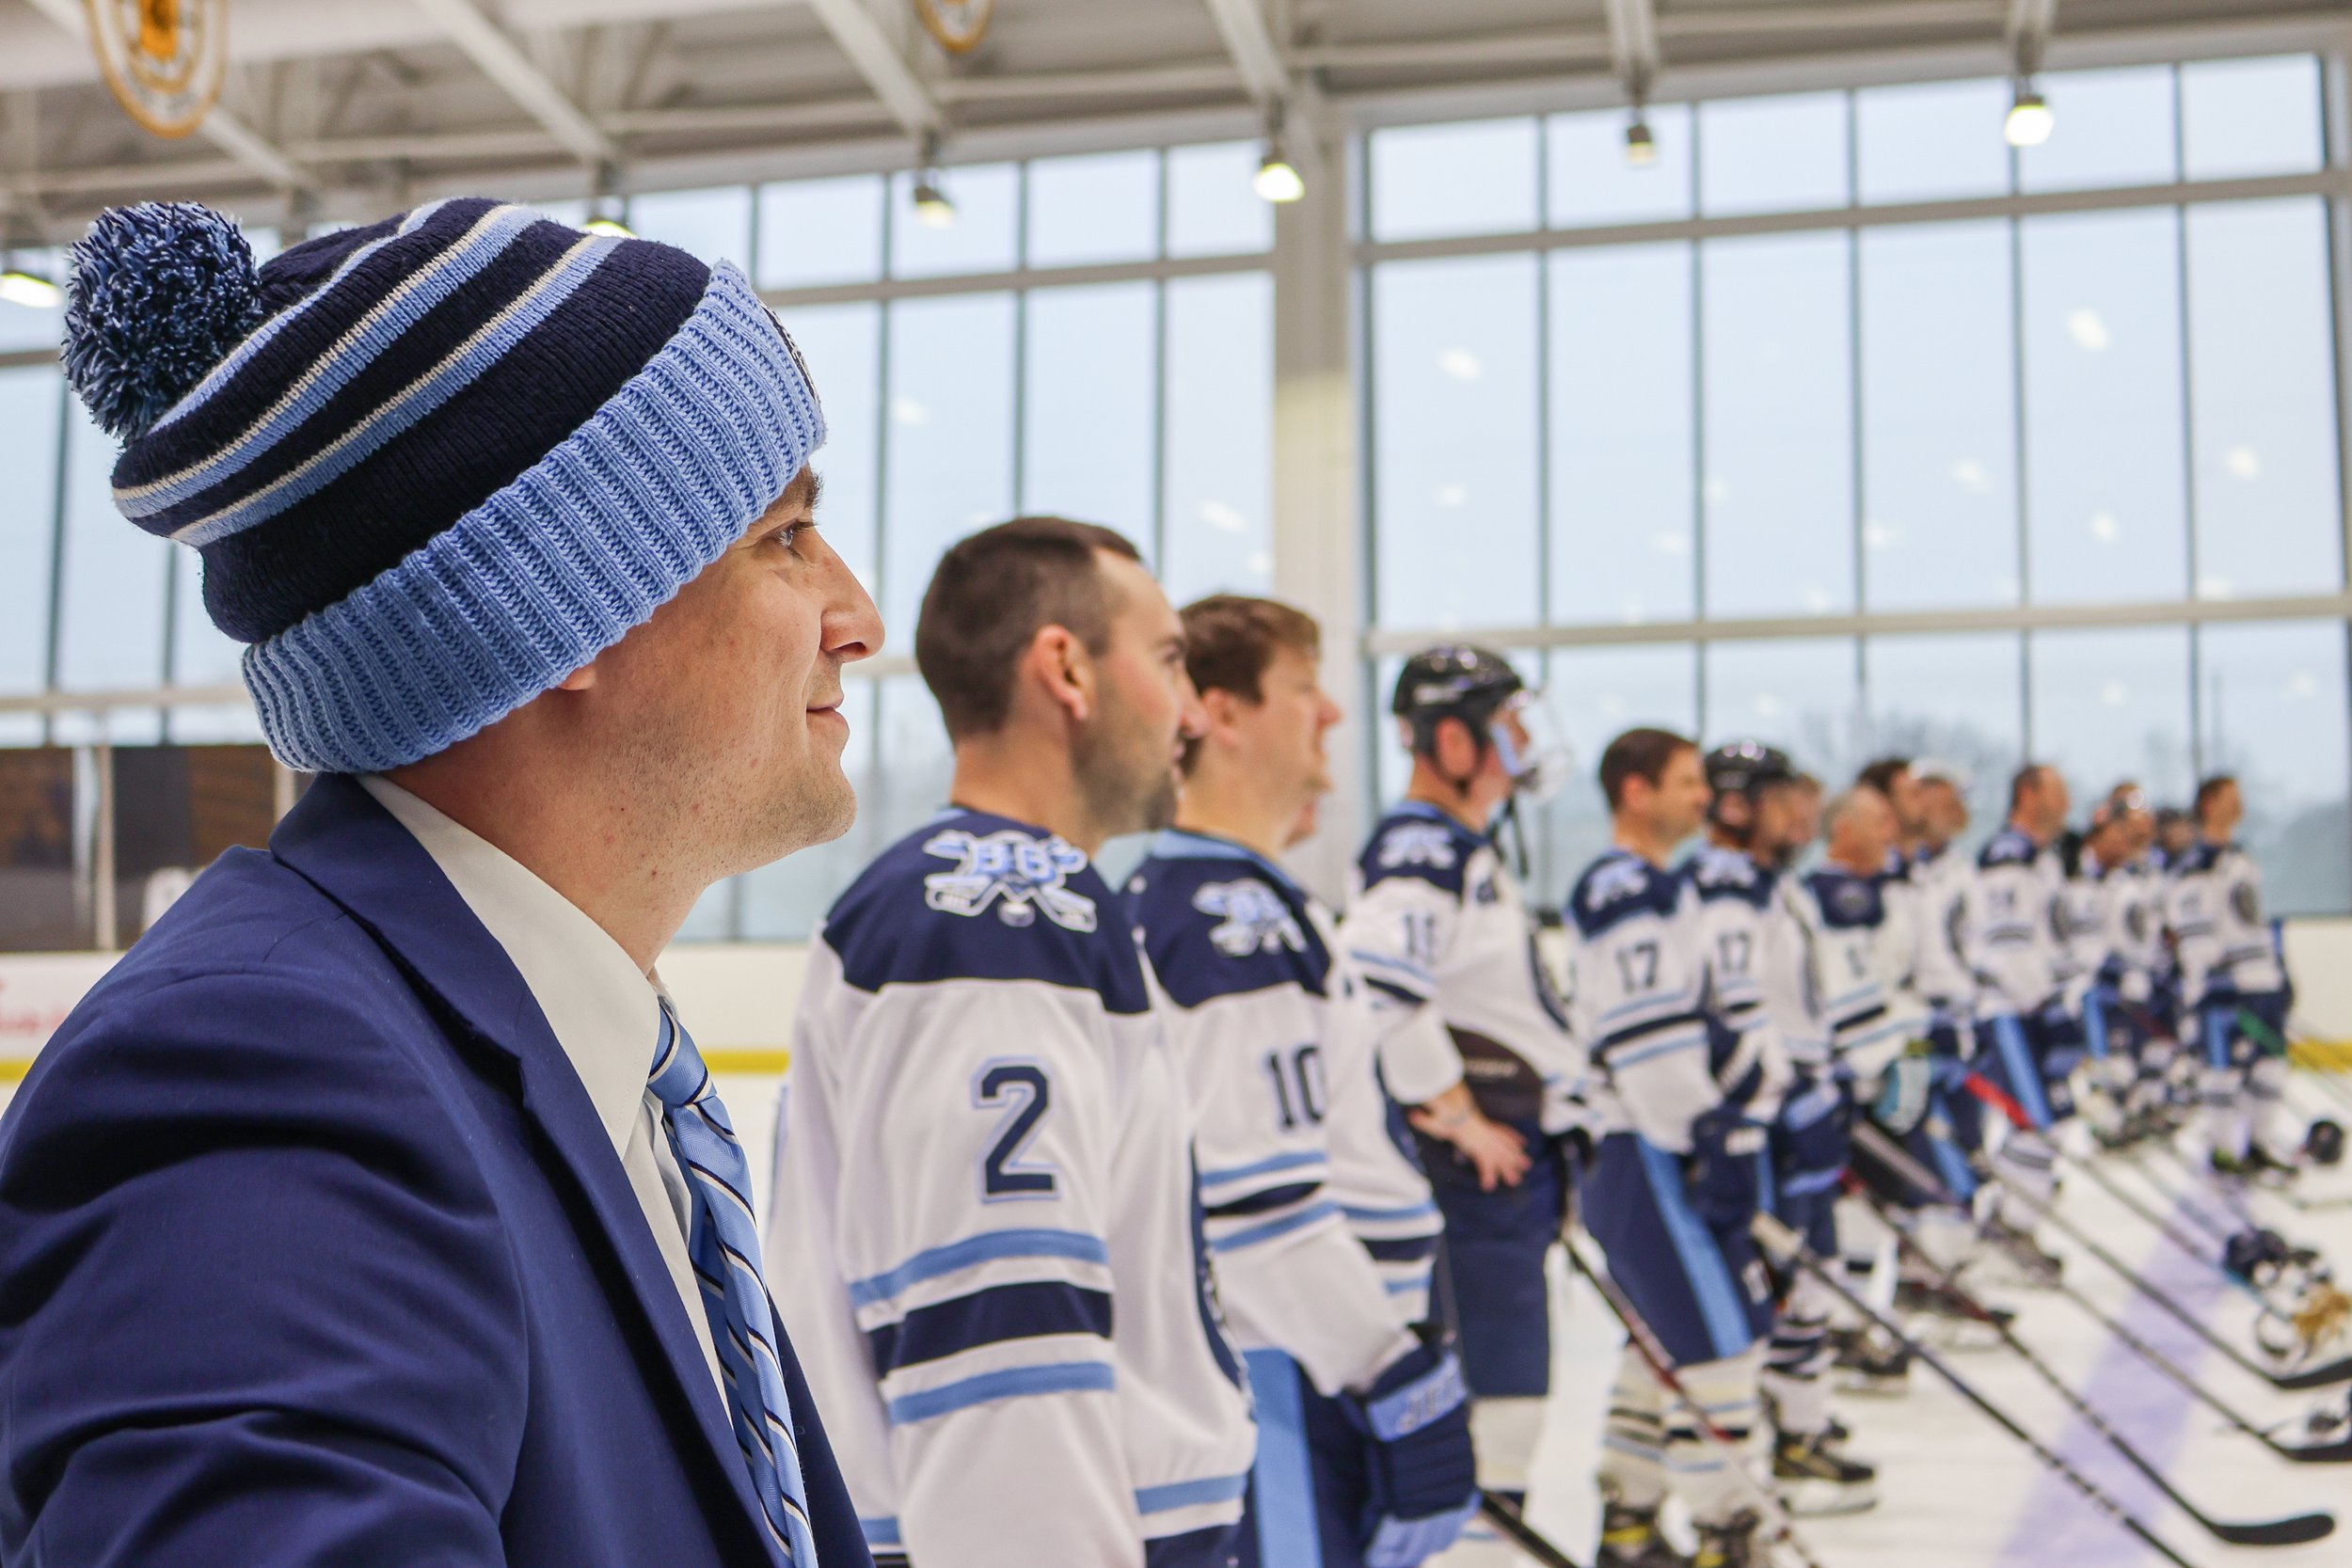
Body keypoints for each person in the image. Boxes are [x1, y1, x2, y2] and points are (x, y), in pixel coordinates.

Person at [0, 198, 882, 1565]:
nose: (858, 616)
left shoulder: (565, 1067)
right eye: (784, 536)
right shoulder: (267, 1081)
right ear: (573, 604)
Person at [766, 518, 1255, 1568]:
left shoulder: (997, 900)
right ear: (1066, 668)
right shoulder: (1002, 914)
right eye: (1170, 659)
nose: (1190, 709)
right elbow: (1006, 1363)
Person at [1127, 595, 1477, 1568]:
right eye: (1304, 689)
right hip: (1294, 1379)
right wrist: (1389, 1373)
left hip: (1321, 1367)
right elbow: (1260, 1214)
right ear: (1222, 712)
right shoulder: (1225, 921)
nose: (1330, 714)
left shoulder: (1246, 901)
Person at [1342, 647, 1575, 1560]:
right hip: (1472, 1182)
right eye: (1509, 723)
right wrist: (1454, 1111)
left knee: (1512, 1395)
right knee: (1493, 1403)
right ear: (1453, 735)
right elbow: (1376, 982)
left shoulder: (1462, 845)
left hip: (1508, 1182)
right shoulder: (1423, 846)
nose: (1523, 743)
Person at [1570, 729, 1786, 1568]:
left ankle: (1627, 1524)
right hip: (1650, 1152)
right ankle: (1730, 1533)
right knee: (1719, 1346)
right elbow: (1654, 1047)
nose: (1705, 797)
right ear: (1636, 791)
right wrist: (1715, 1136)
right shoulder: (1626, 885)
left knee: (1661, 1341)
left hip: (1653, 1152)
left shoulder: (1662, 885)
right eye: (1688, 781)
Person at [1686, 744, 1871, 1515]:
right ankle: (1783, 1429)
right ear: (1736, 805)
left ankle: (1800, 1420)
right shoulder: (1724, 885)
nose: (1800, 816)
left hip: (1794, 1103)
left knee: (1810, 1268)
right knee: (1781, 1282)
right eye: (1781, 799)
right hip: (1758, 1120)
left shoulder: (1771, 886)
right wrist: (1786, 1095)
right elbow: (1735, 1011)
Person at [1963, 764, 2083, 1272]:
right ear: (2029, 794)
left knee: (2042, 1124)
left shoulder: (2042, 860)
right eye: (2058, 789)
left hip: (2036, 1013)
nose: (2068, 799)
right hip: (2012, 1014)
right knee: (2035, 1122)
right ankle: (2007, 1231)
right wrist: (2047, 1005)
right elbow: (2008, 952)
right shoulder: (2008, 857)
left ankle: (2010, 1222)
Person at [2167, 775, 2298, 1176]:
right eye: (2230, 797)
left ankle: (2260, 1141)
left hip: (2262, 982)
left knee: (2270, 1064)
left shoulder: (2240, 857)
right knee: (2223, 1071)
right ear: (2208, 802)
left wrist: (2279, 973)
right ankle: (2223, 1150)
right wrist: (2210, 982)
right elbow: (2192, 935)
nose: (2238, 804)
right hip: (2227, 987)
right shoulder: (2197, 864)